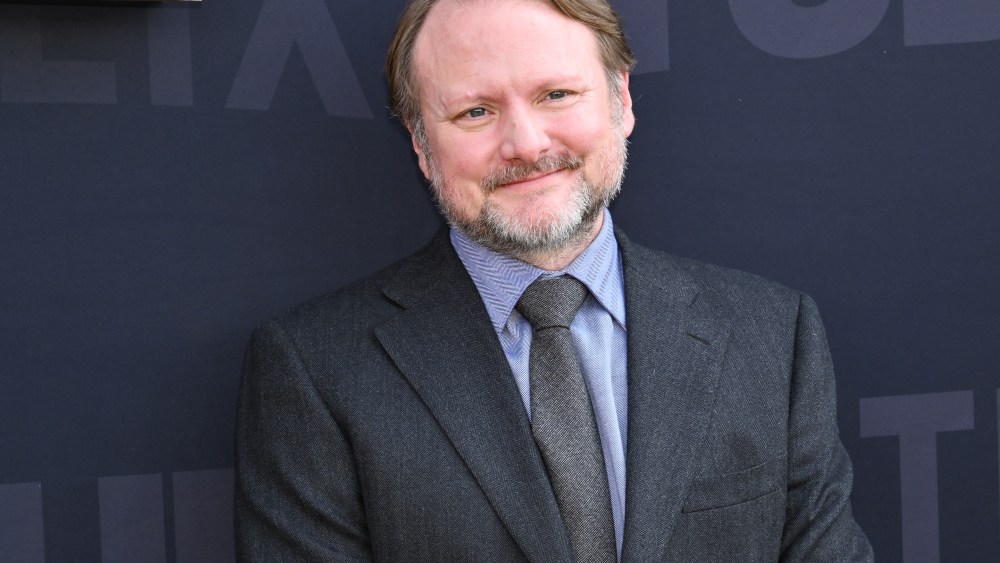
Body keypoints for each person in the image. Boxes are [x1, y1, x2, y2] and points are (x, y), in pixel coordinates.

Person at [235, 0, 875, 561]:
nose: (526, 142)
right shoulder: (316, 370)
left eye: (557, 95)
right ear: (421, 145)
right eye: (476, 111)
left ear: (621, 100)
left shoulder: (773, 336)